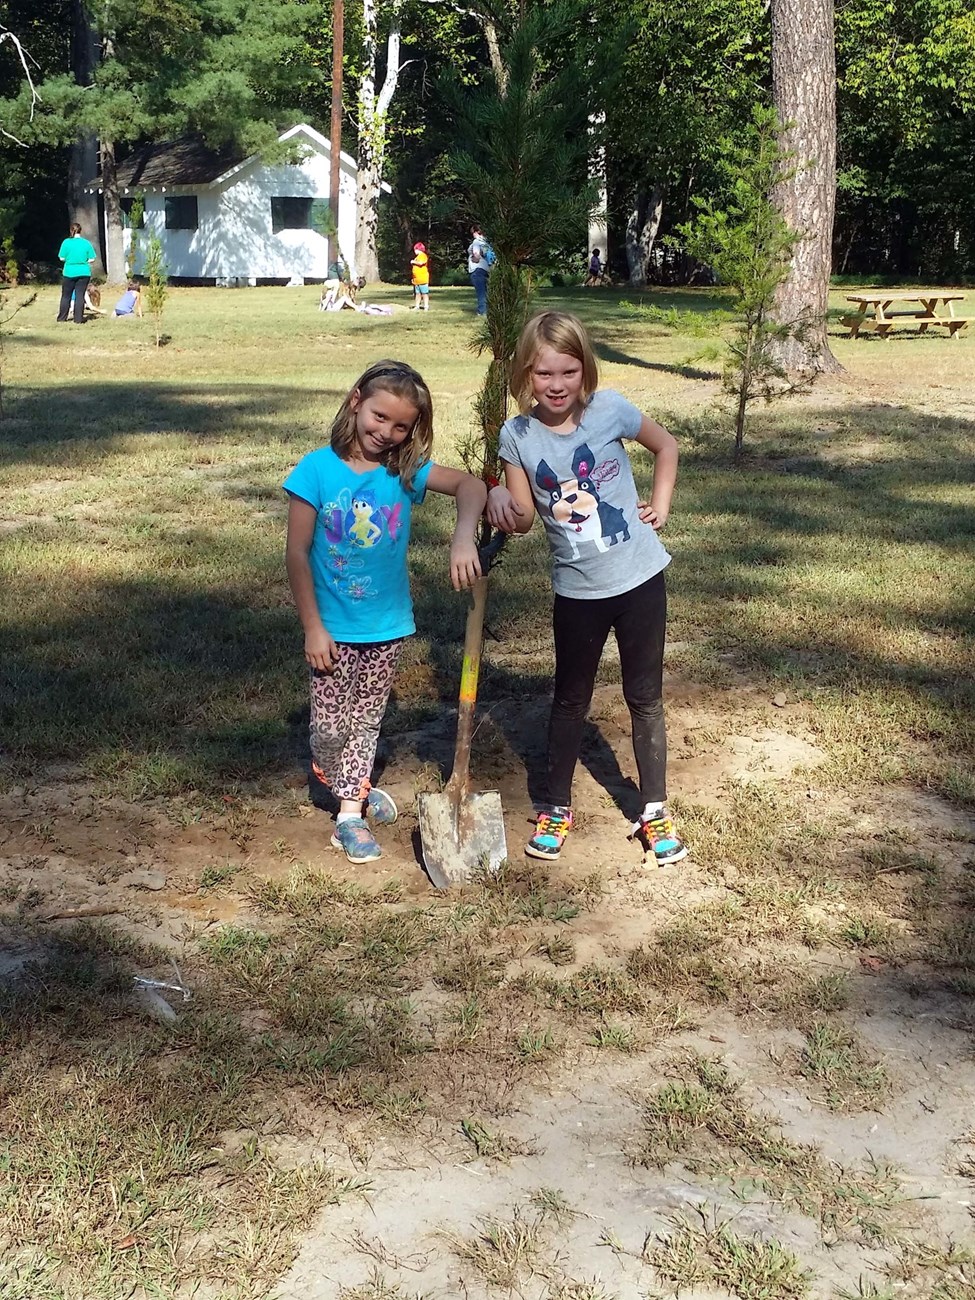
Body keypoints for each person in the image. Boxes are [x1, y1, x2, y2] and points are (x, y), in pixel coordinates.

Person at [485, 311, 687, 868]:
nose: (556, 385)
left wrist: (661, 505)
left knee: (644, 695)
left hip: (641, 578)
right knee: (570, 698)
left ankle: (653, 809)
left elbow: (665, 447)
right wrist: (502, 505)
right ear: (525, 375)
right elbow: (524, 517)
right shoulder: (517, 437)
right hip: (577, 593)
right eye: (543, 373)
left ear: (585, 370)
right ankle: (556, 806)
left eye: (568, 372)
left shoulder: (610, 410)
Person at [284, 360, 487, 864]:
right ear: (356, 401)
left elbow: (472, 487)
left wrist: (464, 539)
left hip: (387, 626)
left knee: (367, 720)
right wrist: (313, 626)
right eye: (379, 417)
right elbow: (296, 553)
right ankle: (344, 777)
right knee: (329, 730)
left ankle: (349, 814)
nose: (387, 433)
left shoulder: (404, 470)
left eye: (402, 426)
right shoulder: (314, 470)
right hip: (331, 628)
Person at [56, 222, 98, 324]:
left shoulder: (66, 242)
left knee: (66, 296)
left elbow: (61, 258)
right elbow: (92, 258)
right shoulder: (86, 243)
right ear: (80, 231)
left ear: (71, 230)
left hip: (69, 272)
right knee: (80, 295)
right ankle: (78, 319)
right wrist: (84, 261)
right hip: (84, 272)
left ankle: (62, 318)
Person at [467, 225, 491, 316]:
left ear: (476, 232)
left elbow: (476, 255)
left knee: (481, 292)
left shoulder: (476, 241)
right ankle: (488, 310)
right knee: (485, 291)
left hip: (477, 269)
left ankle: (482, 311)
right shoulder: (486, 242)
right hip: (486, 268)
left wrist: (473, 258)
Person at [410, 242, 430, 311]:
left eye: (415, 250)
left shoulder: (423, 256)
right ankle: (417, 306)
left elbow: (421, 263)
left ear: (418, 249)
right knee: (417, 294)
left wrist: (413, 262)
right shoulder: (417, 257)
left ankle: (426, 306)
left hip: (423, 279)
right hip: (416, 280)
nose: (414, 251)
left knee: (424, 293)